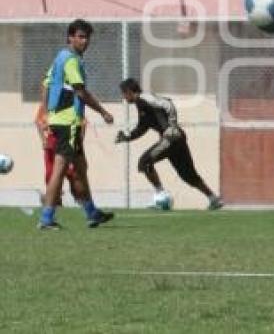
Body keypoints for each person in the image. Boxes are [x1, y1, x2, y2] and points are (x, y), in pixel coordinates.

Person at [39, 19, 115, 230]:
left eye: (87, 37)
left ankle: (92, 213)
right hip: (68, 122)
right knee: (60, 169)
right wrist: (103, 111)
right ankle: (46, 218)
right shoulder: (71, 61)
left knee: (81, 167)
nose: (85, 41)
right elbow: (80, 92)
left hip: (58, 120)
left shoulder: (59, 58)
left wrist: (46, 114)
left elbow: (45, 84)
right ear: (70, 38)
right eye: (80, 36)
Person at [116, 78, 223, 210]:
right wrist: (127, 137)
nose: (123, 97)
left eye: (123, 93)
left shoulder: (145, 98)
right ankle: (214, 199)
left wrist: (172, 125)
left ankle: (161, 198)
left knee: (144, 162)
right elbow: (143, 127)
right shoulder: (141, 104)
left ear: (129, 91)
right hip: (176, 139)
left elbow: (168, 104)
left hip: (171, 139)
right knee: (188, 175)